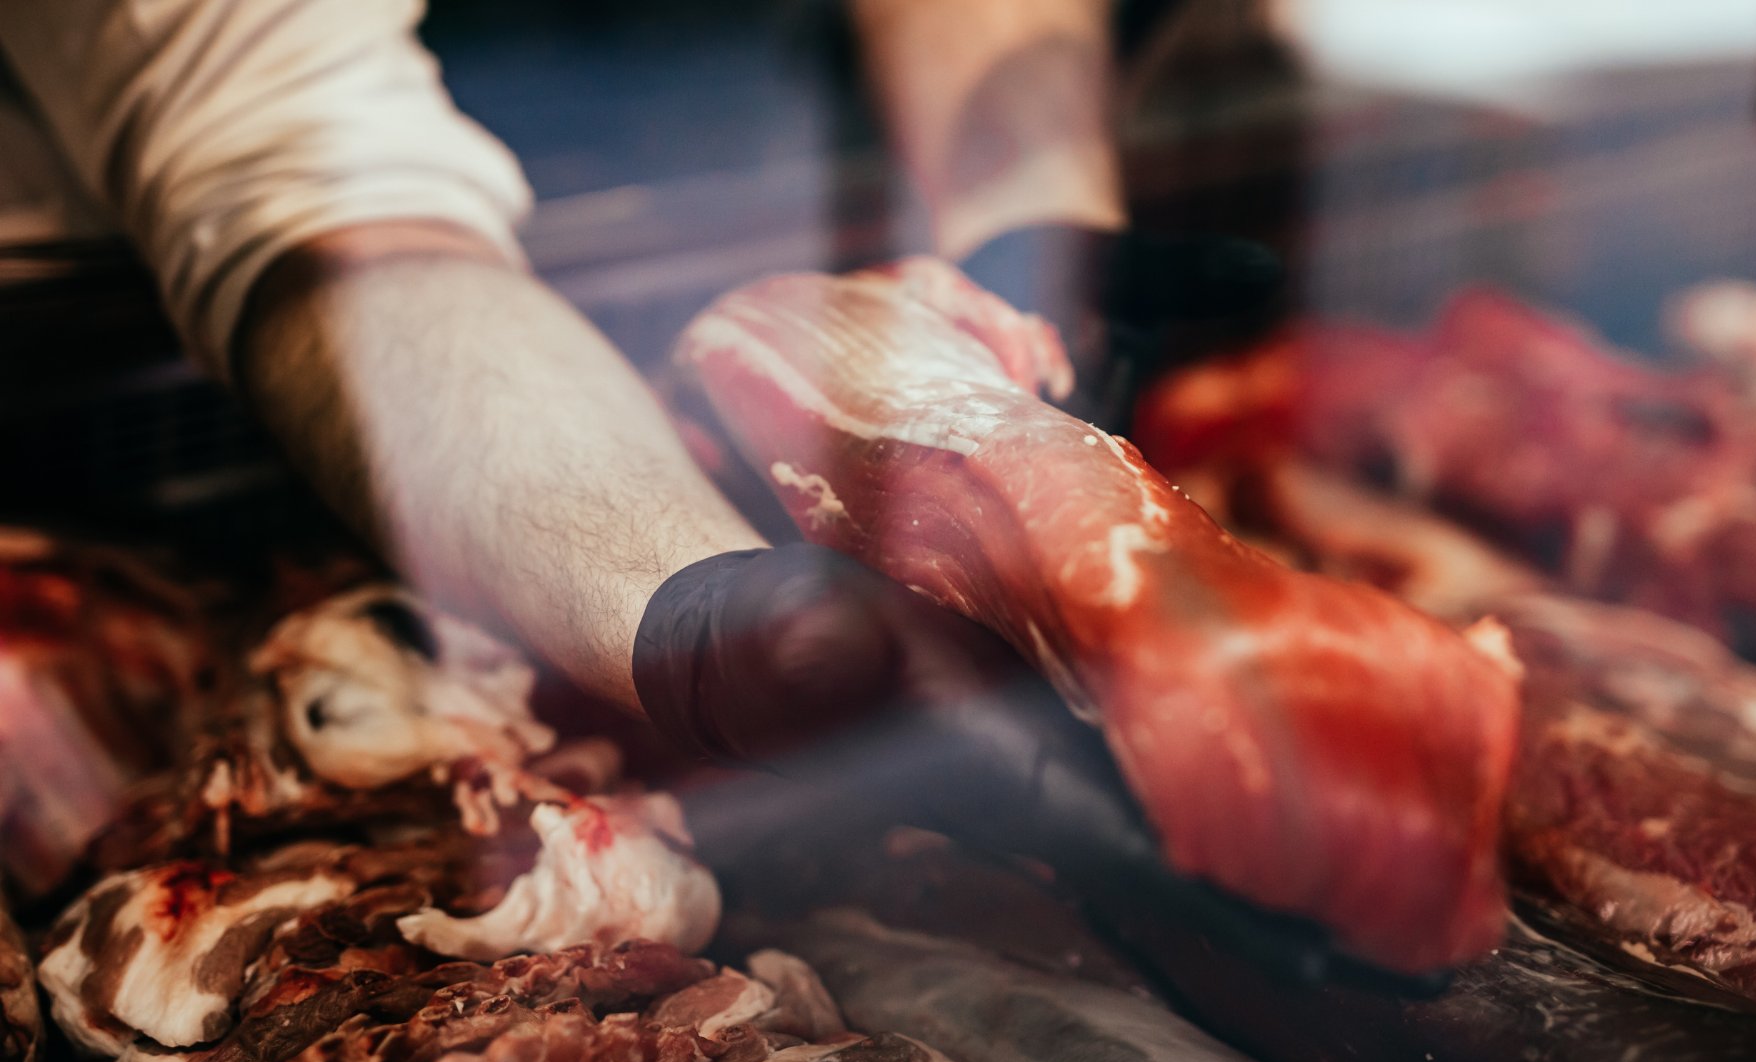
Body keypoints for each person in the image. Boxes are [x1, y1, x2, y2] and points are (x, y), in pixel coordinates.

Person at [0, 1, 1279, 794]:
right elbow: (329, 210)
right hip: (303, 358)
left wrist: (1022, 216)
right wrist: (695, 606)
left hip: (754, 203)